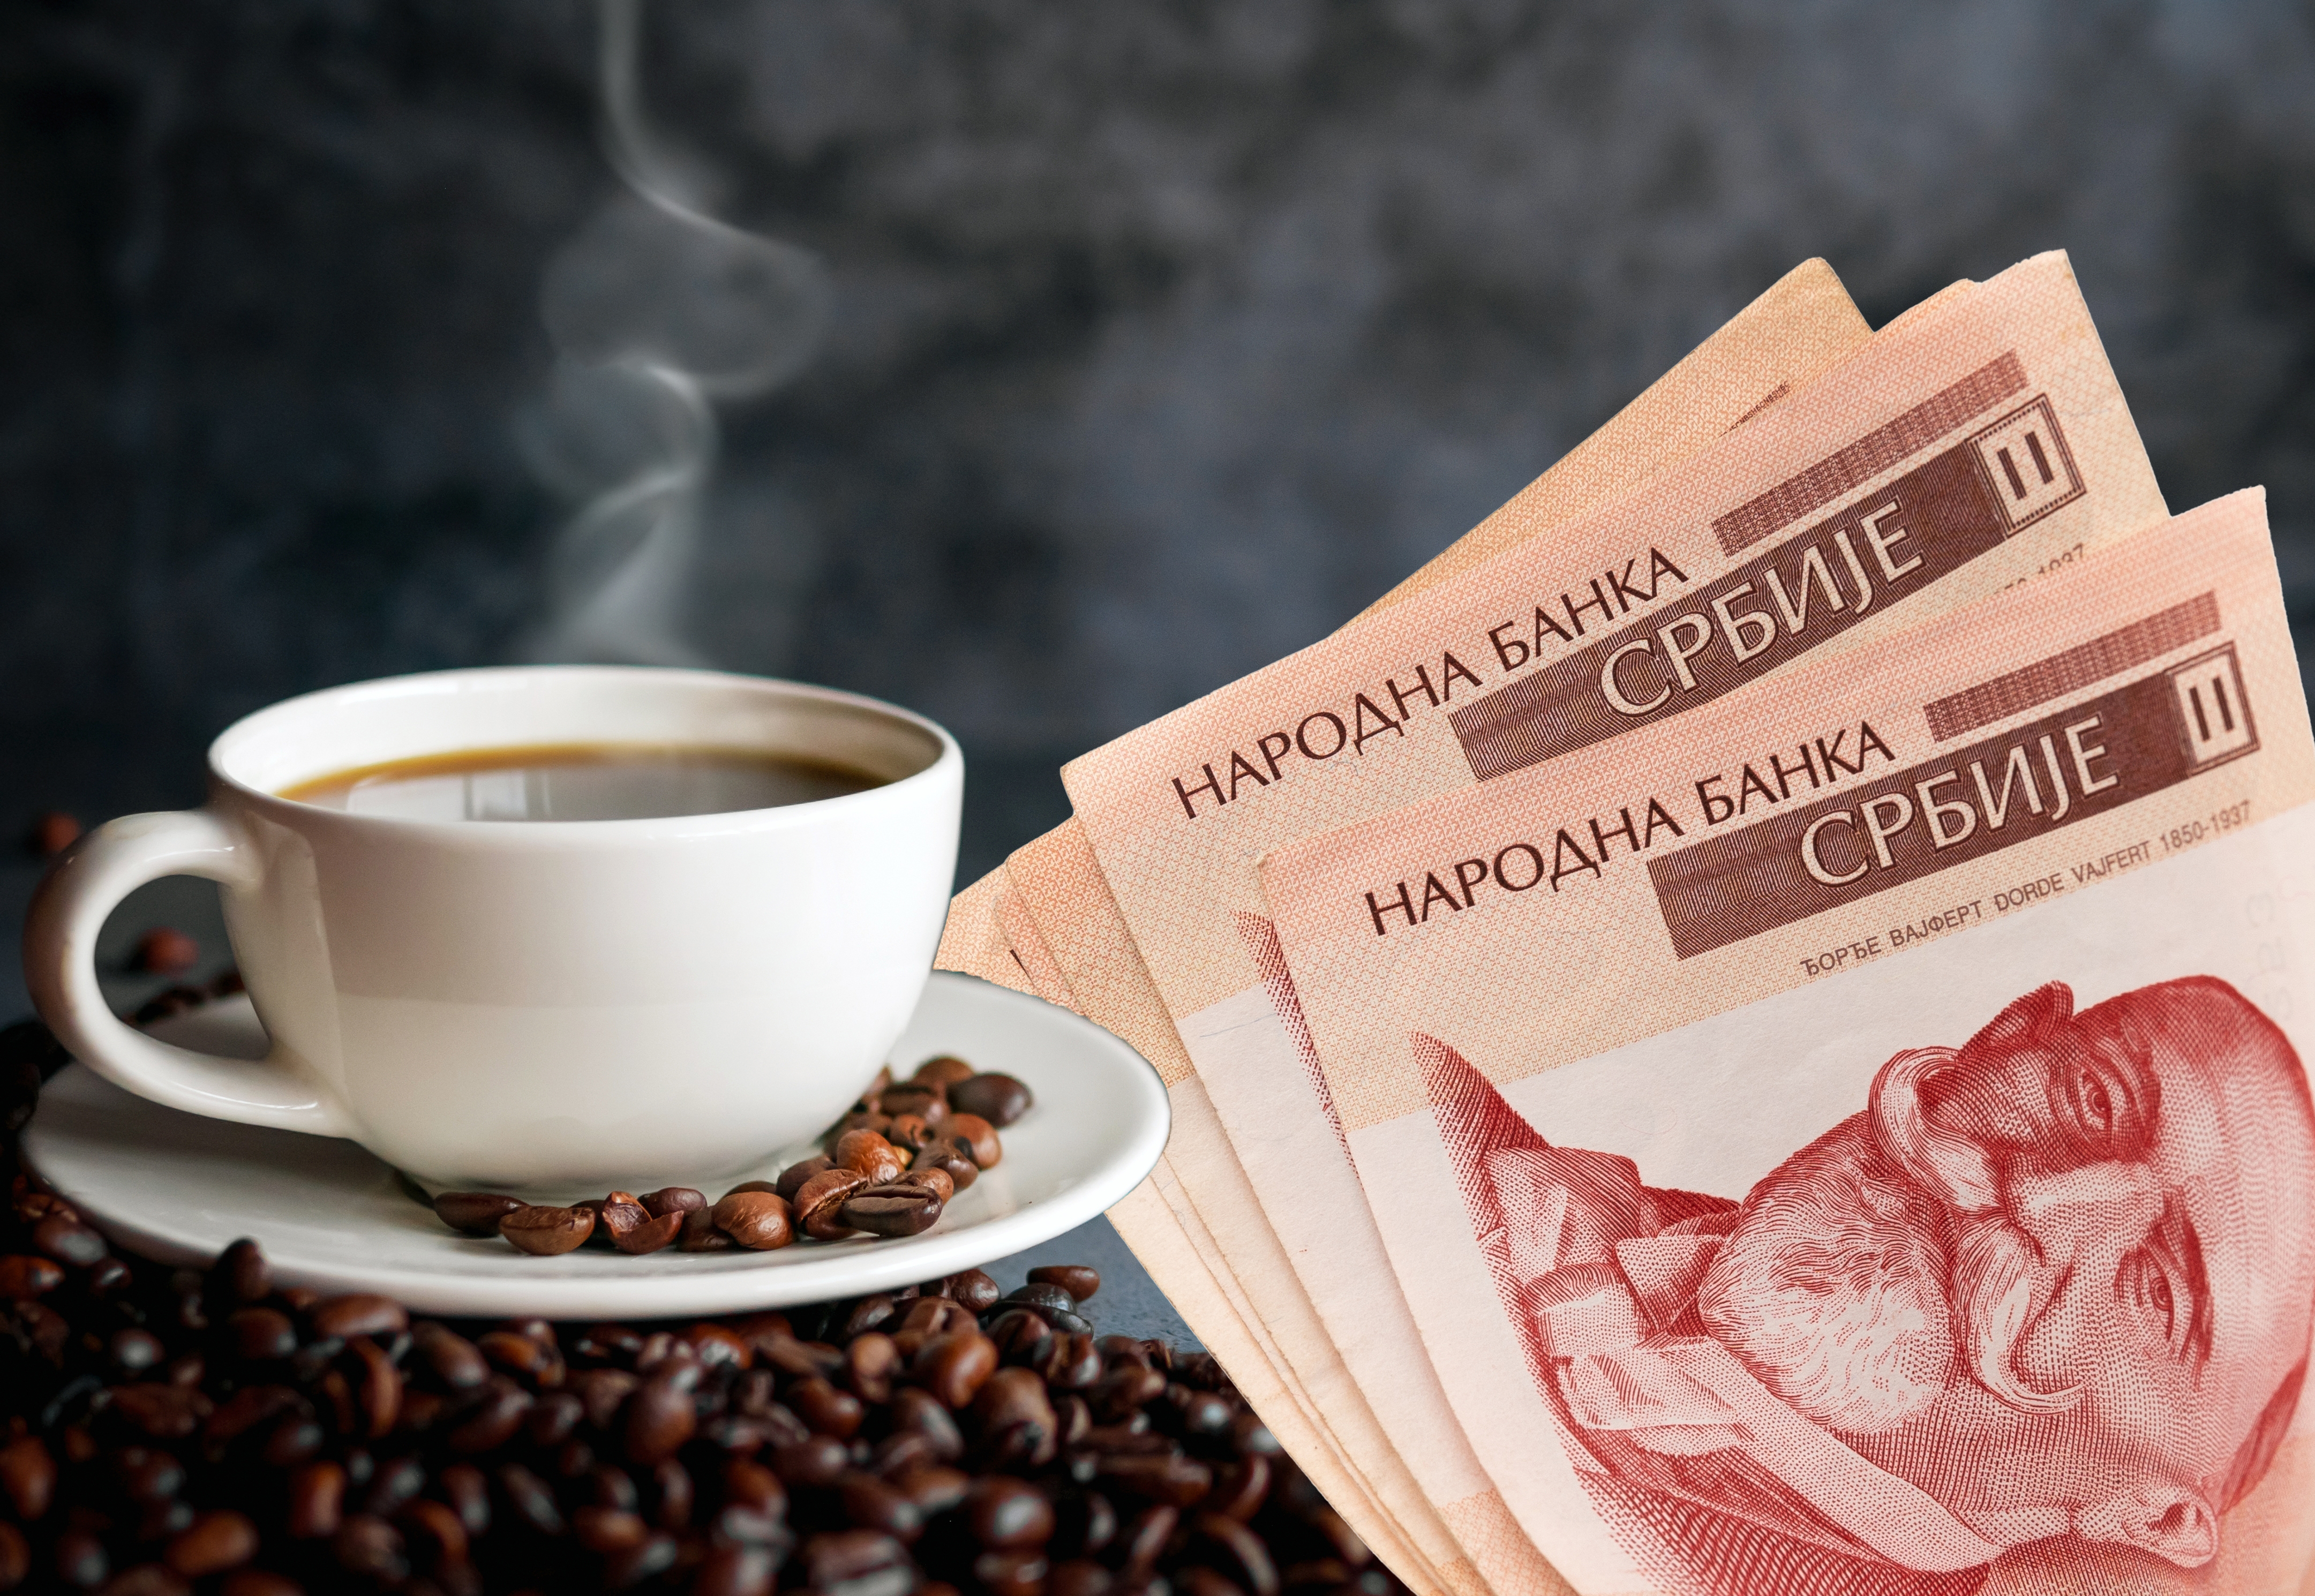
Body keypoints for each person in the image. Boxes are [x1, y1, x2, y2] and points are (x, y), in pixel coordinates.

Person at [1420, 976, 2315, 1594]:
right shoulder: (1433, 1110)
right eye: (2094, 1099)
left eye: (2155, 1291)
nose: (2035, 1195)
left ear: (2153, 1517)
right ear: (2000, 1034)